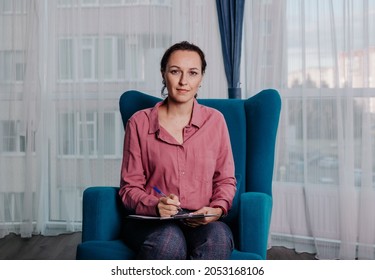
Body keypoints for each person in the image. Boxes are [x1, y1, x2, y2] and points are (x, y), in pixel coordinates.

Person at [119, 41, 236, 260]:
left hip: (200, 222)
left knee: (218, 238)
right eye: (175, 71)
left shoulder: (216, 121)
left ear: (201, 78)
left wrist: (217, 209)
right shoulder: (138, 123)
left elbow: (226, 180)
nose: (184, 81)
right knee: (169, 241)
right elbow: (129, 188)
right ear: (163, 74)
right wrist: (156, 206)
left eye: (192, 73)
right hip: (153, 223)